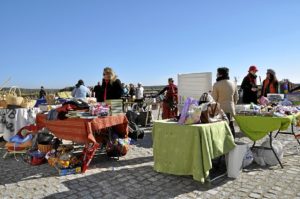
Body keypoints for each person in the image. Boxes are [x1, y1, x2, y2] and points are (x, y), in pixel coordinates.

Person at [212, 67, 239, 138]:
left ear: (220, 74)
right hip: (231, 108)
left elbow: (214, 100)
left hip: (220, 109)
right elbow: (236, 98)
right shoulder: (233, 84)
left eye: (217, 73)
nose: (216, 75)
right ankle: (233, 143)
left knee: (221, 129)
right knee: (231, 127)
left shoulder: (216, 84)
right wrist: (232, 105)